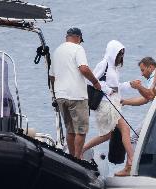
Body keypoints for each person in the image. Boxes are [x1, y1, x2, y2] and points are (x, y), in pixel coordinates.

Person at [82, 40, 134, 177]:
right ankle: (131, 162)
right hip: (105, 104)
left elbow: (116, 88)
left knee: (107, 135)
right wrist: (106, 89)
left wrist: (129, 84)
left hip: (113, 104)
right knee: (125, 129)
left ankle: (82, 150)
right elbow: (91, 80)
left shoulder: (114, 68)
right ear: (112, 52)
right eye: (119, 54)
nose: (121, 57)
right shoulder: (104, 63)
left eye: (122, 54)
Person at [49, 27, 101, 159]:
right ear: (78, 38)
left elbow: (52, 77)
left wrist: (56, 92)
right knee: (81, 130)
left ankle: (72, 158)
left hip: (60, 95)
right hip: (76, 95)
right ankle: (78, 158)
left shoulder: (56, 51)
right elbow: (83, 68)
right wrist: (95, 82)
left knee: (70, 129)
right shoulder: (78, 49)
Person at [121, 57, 156, 145]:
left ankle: (131, 158)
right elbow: (146, 99)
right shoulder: (154, 78)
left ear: (151, 67)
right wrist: (125, 102)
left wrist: (138, 87)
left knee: (134, 138)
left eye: (143, 70)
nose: (141, 74)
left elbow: (150, 95)